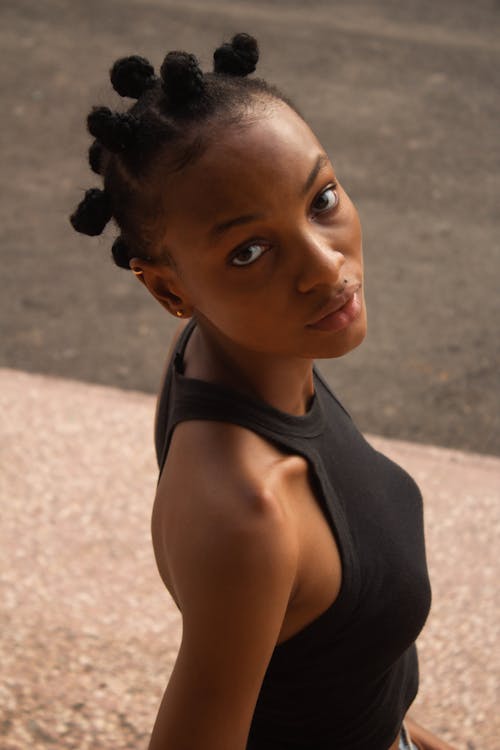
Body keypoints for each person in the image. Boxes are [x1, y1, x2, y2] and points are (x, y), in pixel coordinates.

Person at [70, 33, 438, 750]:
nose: (325, 266)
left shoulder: (228, 354)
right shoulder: (250, 515)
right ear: (168, 286)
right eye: (249, 251)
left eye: (322, 198)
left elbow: (318, 676)